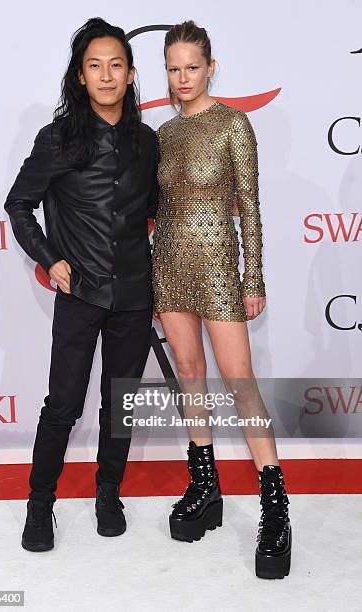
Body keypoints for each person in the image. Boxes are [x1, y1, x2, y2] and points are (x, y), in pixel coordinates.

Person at [4, 17, 159, 552]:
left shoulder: (146, 142)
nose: (106, 75)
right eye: (95, 66)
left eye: (116, 65)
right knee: (63, 404)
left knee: (121, 403)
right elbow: (18, 205)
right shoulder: (56, 140)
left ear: (131, 74)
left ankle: (108, 494)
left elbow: (152, 214)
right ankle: (39, 506)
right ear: (80, 77)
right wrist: (51, 259)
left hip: (135, 297)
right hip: (79, 295)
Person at [151, 20, 291, 579]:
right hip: (169, 265)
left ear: (212, 68)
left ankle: (275, 505)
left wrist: (252, 278)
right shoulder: (161, 135)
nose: (183, 78)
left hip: (218, 269)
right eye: (174, 69)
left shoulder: (234, 124)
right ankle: (205, 486)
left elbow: (251, 209)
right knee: (189, 372)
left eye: (192, 67)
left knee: (240, 382)